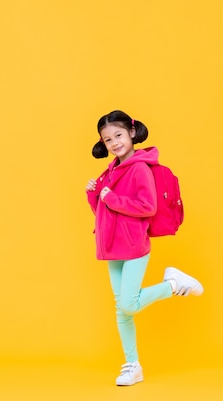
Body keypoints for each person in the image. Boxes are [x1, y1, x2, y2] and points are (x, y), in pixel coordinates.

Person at [85, 110, 203, 386]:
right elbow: (103, 211)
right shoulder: (111, 170)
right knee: (122, 310)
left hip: (133, 244)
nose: (114, 142)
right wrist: (94, 195)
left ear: (132, 133)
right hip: (112, 245)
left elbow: (147, 207)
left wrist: (111, 198)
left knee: (128, 303)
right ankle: (132, 365)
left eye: (118, 135)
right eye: (107, 139)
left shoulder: (139, 167)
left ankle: (173, 285)